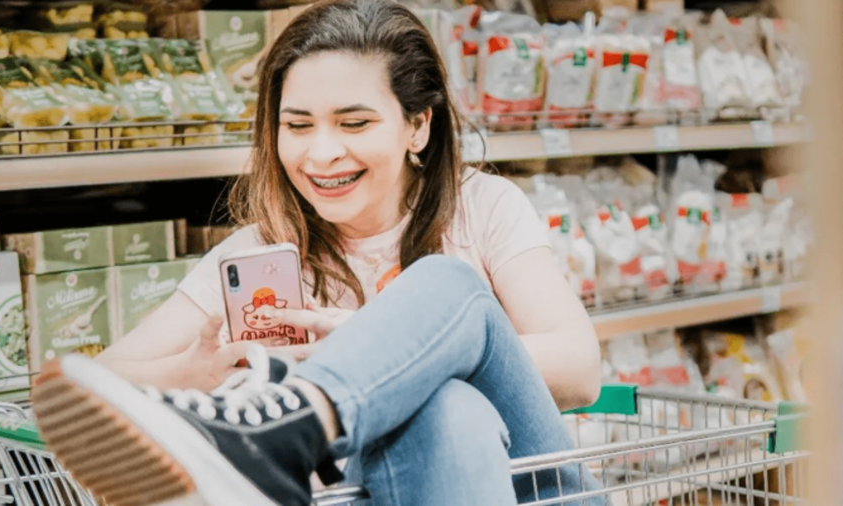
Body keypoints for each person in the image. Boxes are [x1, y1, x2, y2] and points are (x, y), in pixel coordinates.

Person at [31, 1, 604, 505]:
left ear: (417, 126)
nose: (322, 153)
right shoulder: (259, 253)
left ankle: (287, 431)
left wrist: (378, 349)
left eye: (354, 123)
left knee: (446, 287)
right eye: (297, 125)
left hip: (532, 493)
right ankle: (282, 435)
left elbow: (580, 369)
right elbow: (92, 383)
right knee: (445, 408)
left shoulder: (483, 208)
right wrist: (192, 371)